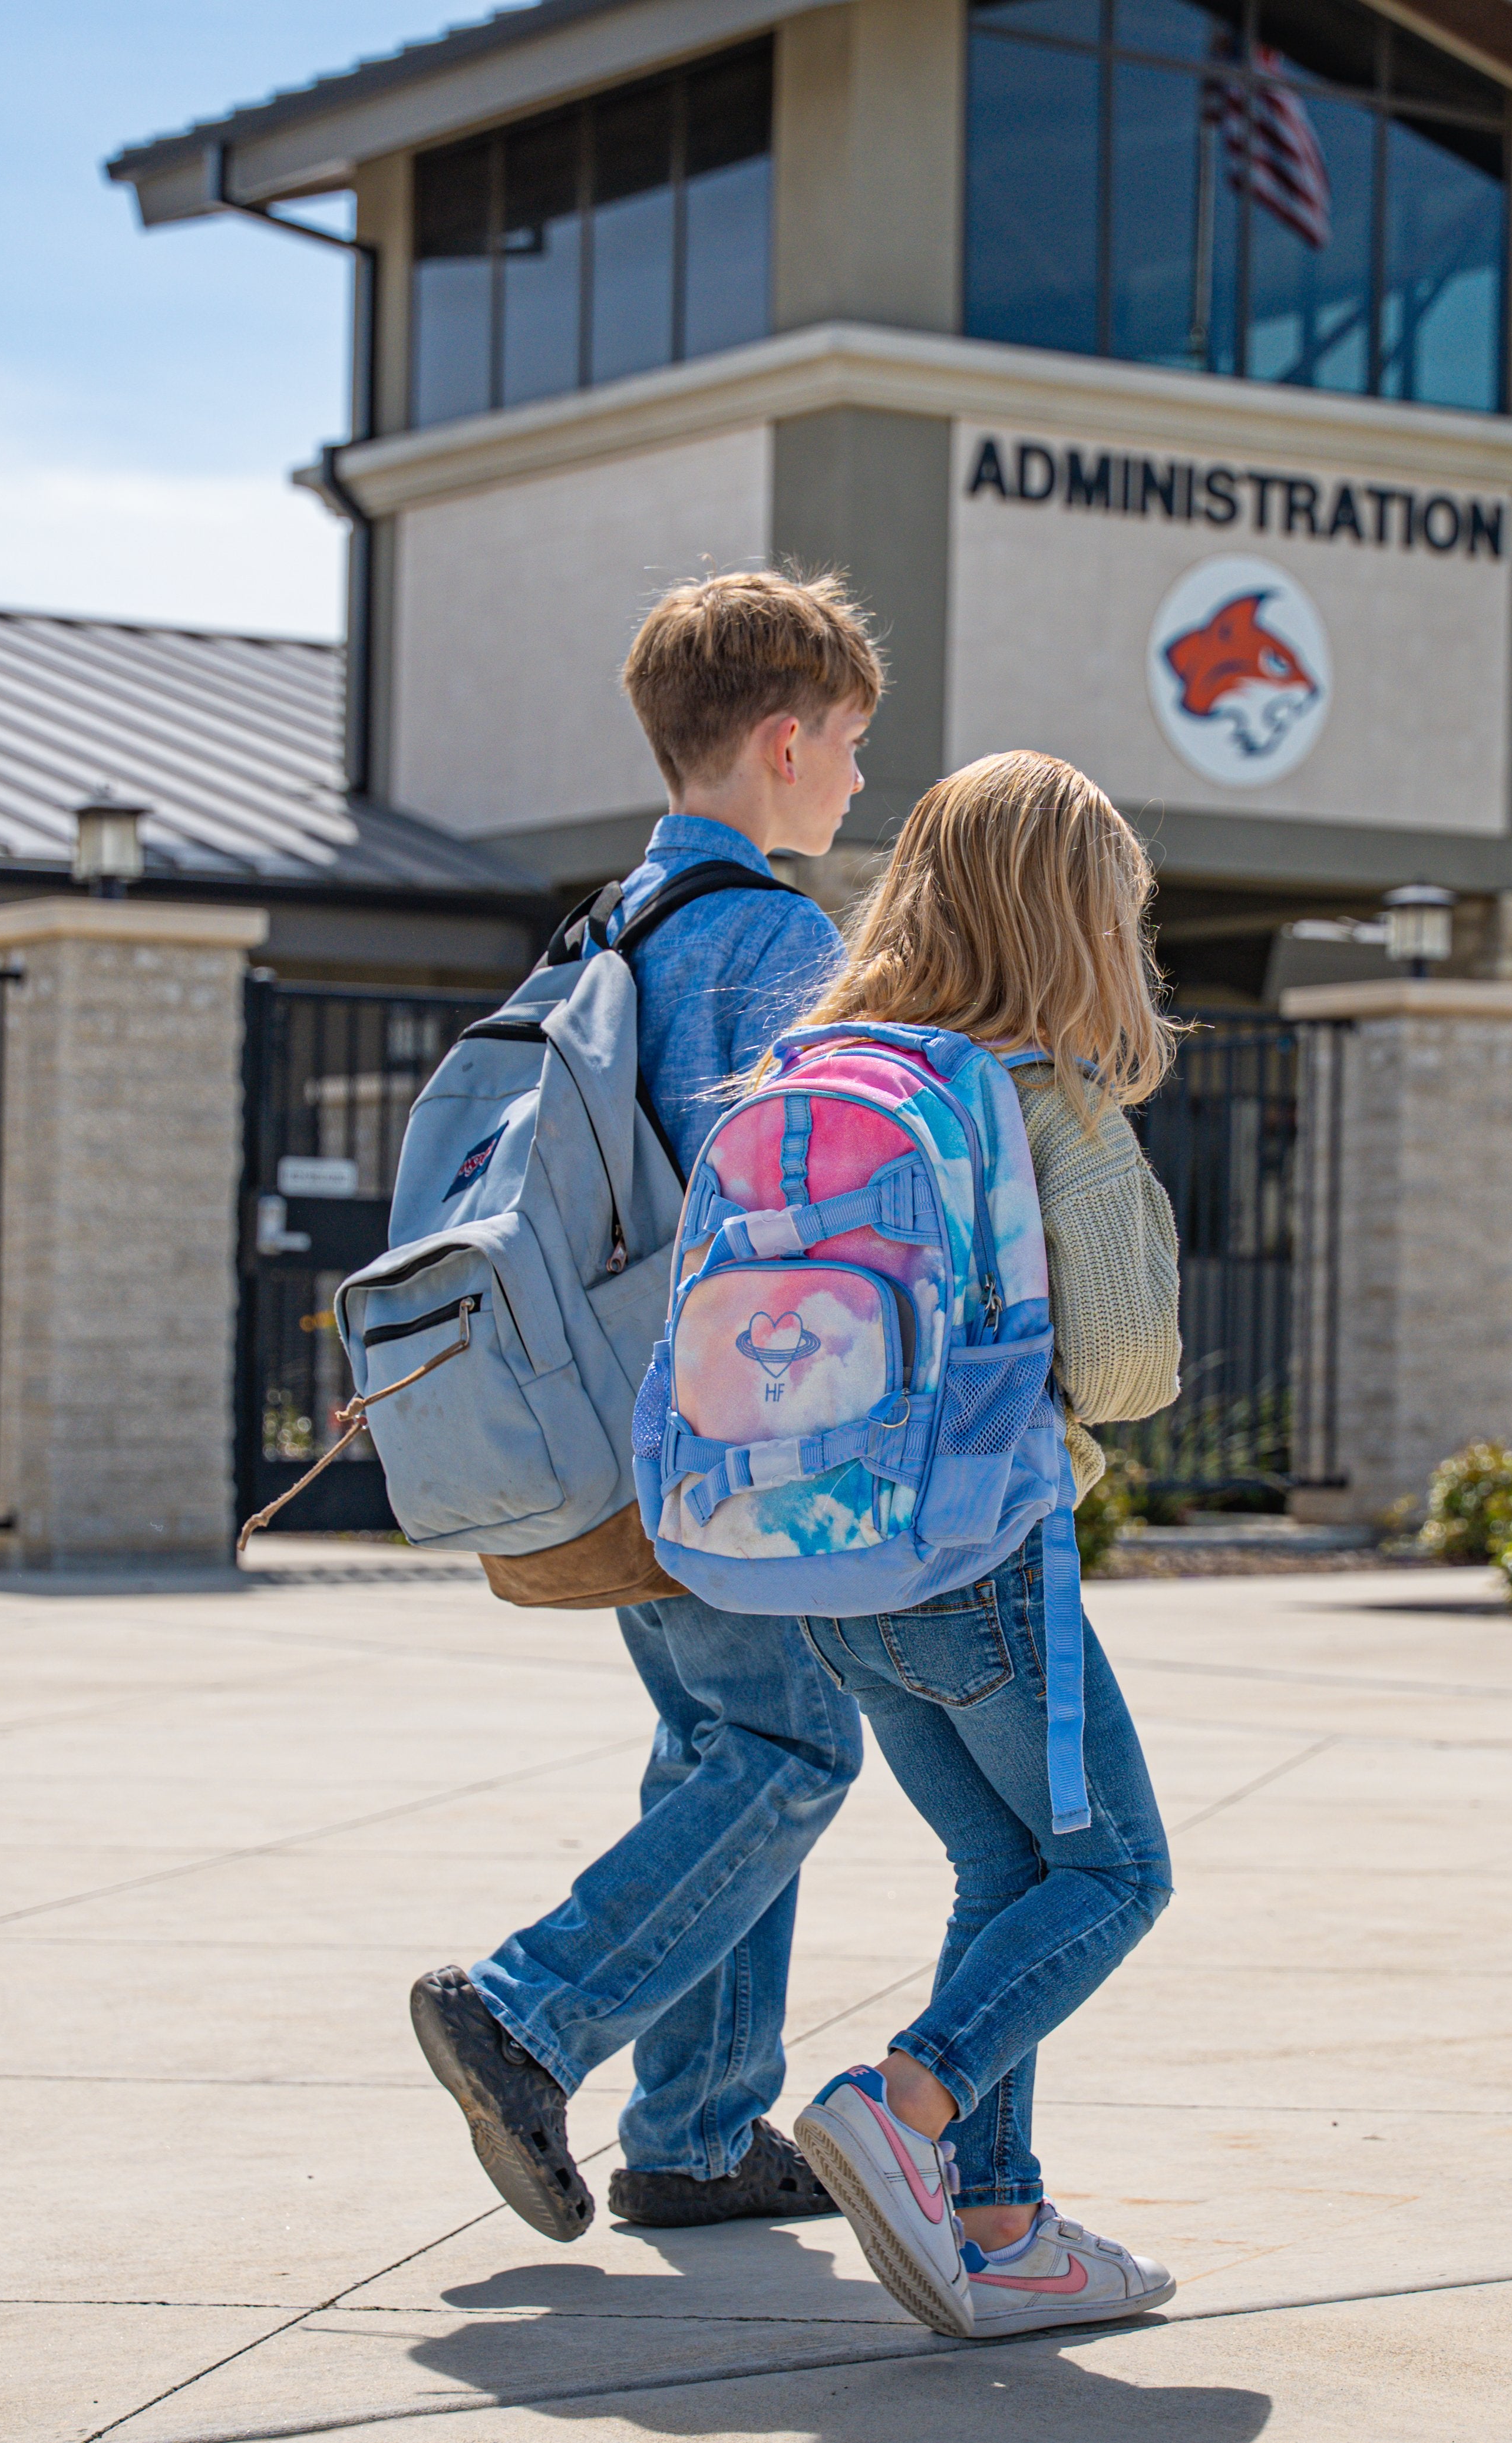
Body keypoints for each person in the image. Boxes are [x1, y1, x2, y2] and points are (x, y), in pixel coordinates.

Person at [407, 568, 883, 2240]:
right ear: (778, 740)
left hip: (602, 1419)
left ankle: (693, 2131)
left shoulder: (600, 925)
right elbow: (776, 1208)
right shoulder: (771, 935)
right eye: (844, 743)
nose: (855, 778)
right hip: (721, 1426)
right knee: (792, 1746)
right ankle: (529, 2015)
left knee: (717, 1749)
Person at [774, 751, 1189, 2339]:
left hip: (825, 1560)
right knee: (1120, 1867)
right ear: (1082, 923)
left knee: (1007, 1863)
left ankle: (1001, 2223)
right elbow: (1130, 1369)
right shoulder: (1044, 1097)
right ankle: (915, 2102)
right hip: (985, 1553)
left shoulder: (821, 1068)